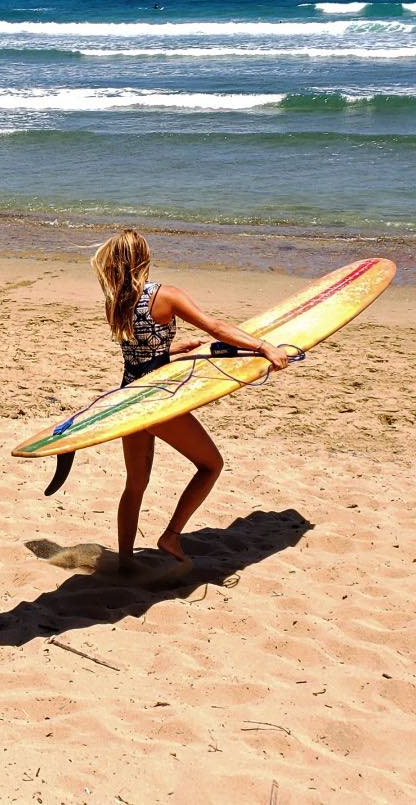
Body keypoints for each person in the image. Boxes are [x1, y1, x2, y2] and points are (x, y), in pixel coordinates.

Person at [91, 228, 289, 569]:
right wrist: (262, 346)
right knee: (211, 465)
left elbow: (140, 353)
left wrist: (170, 349)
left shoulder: (116, 301)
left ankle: (125, 562)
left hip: (129, 397)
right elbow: (214, 326)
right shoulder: (164, 295)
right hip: (157, 399)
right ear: (144, 258)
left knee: (135, 484)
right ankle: (171, 535)